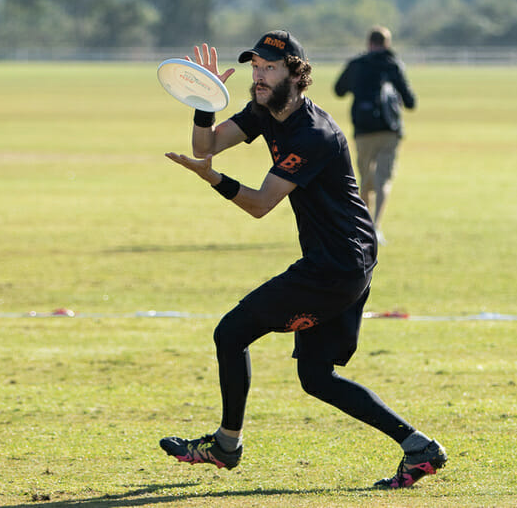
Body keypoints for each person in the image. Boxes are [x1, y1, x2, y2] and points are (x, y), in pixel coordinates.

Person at [160, 30, 446, 488]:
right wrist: (205, 98)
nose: (258, 76)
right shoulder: (264, 110)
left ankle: (226, 445)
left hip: (334, 266)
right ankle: (419, 448)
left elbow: (258, 204)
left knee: (231, 333)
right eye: (254, 68)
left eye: (269, 68)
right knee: (315, 376)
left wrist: (213, 180)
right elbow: (204, 145)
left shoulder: (314, 134)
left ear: (296, 72)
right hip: (346, 260)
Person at [334, 26, 416, 245]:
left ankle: (364, 227)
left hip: (363, 130)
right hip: (390, 130)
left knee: (364, 179)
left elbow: (339, 90)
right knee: (383, 180)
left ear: (368, 42)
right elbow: (410, 102)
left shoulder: (357, 64)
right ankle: (376, 226)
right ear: (387, 43)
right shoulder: (393, 64)